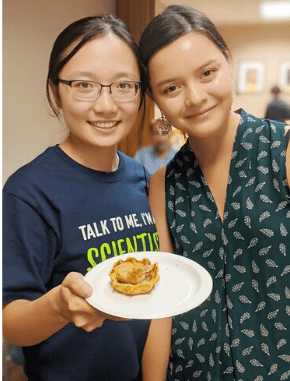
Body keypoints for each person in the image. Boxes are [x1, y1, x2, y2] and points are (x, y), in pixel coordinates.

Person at [2, 15, 171, 381]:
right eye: (84, 85)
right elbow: (10, 322)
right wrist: (59, 306)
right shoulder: (29, 191)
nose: (106, 105)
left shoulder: (146, 180)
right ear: (54, 91)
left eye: (123, 85)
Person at [139, 4, 290, 380]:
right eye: (171, 88)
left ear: (228, 61)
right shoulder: (163, 182)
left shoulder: (282, 151)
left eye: (207, 73)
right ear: (156, 100)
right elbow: (164, 303)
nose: (194, 97)